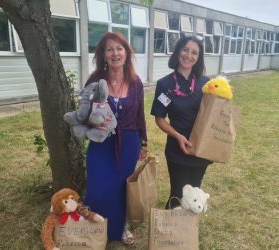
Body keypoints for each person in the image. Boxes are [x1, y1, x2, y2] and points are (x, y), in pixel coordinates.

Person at [82, 32, 147, 245]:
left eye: (119, 48)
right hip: (101, 143)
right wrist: (93, 122)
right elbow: (83, 112)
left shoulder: (136, 82)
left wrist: (143, 142)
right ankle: (94, 226)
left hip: (128, 142)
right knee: (97, 187)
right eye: (109, 49)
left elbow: (140, 114)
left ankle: (119, 228)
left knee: (121, 188)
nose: (115, 53)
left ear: (127, 53)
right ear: (103, 55)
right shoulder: (94, 80)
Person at [150, 35, 212, 209]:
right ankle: (168, 234)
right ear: (178, 51)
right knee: (178, 195)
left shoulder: (206, 83)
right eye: (185, 49)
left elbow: (214, 113)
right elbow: (159, 118)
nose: (188, 55)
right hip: (178, 149)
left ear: (198, 58)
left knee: (195, 195)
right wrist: (177, 136)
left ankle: (187, 234)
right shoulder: (165, 85)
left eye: (194, 52)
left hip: (200, 149)